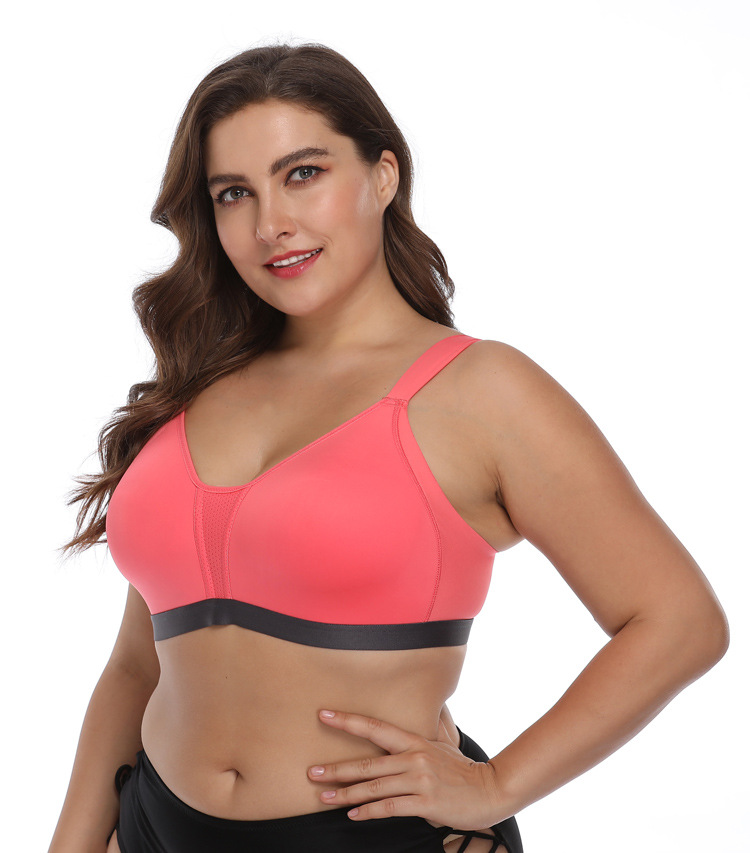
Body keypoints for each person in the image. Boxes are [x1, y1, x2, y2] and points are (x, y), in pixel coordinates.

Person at [48, 42, 729, 853]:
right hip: (154, 828)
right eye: (235, 192)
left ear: (383, 176)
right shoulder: (199, 385)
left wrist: (497, 784)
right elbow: (137, 665)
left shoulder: (481, 392)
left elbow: (679, 620)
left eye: (303, 173)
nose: (270, 223)